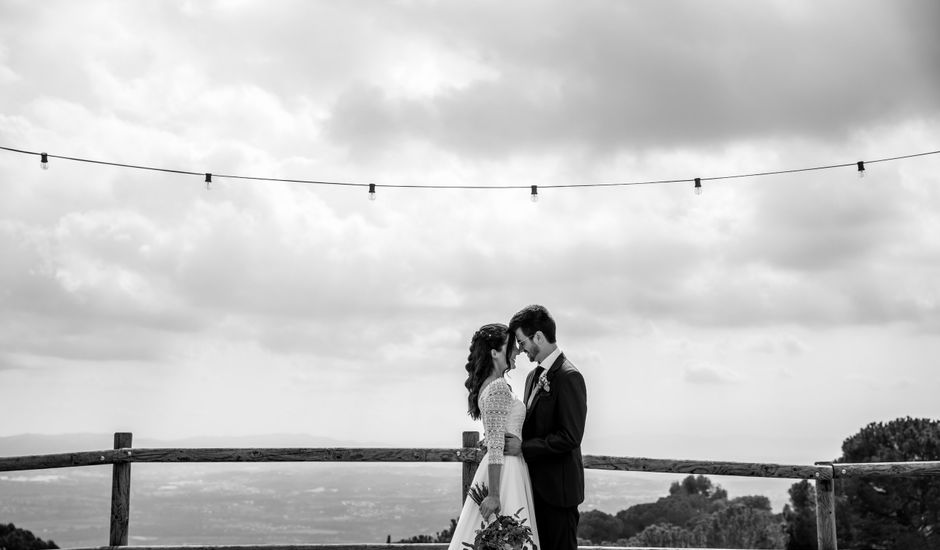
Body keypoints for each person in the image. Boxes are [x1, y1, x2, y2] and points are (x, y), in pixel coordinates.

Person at [449, 323, 541, 550]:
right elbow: (497, 443)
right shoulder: (499, 387)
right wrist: (495, 495)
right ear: (494, 353)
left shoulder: (489, 386)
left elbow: (493, 435)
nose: (517, 351)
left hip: (503, 466)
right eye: (510, 346)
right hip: (505, 472)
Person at [504, 305, 587, 550]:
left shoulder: (569, 376)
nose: (520, 349)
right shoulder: (532, 377)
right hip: (533, 490)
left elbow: (570, 436)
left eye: (521, 342)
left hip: (558, 495)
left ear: (538, 336)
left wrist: (524, 448)